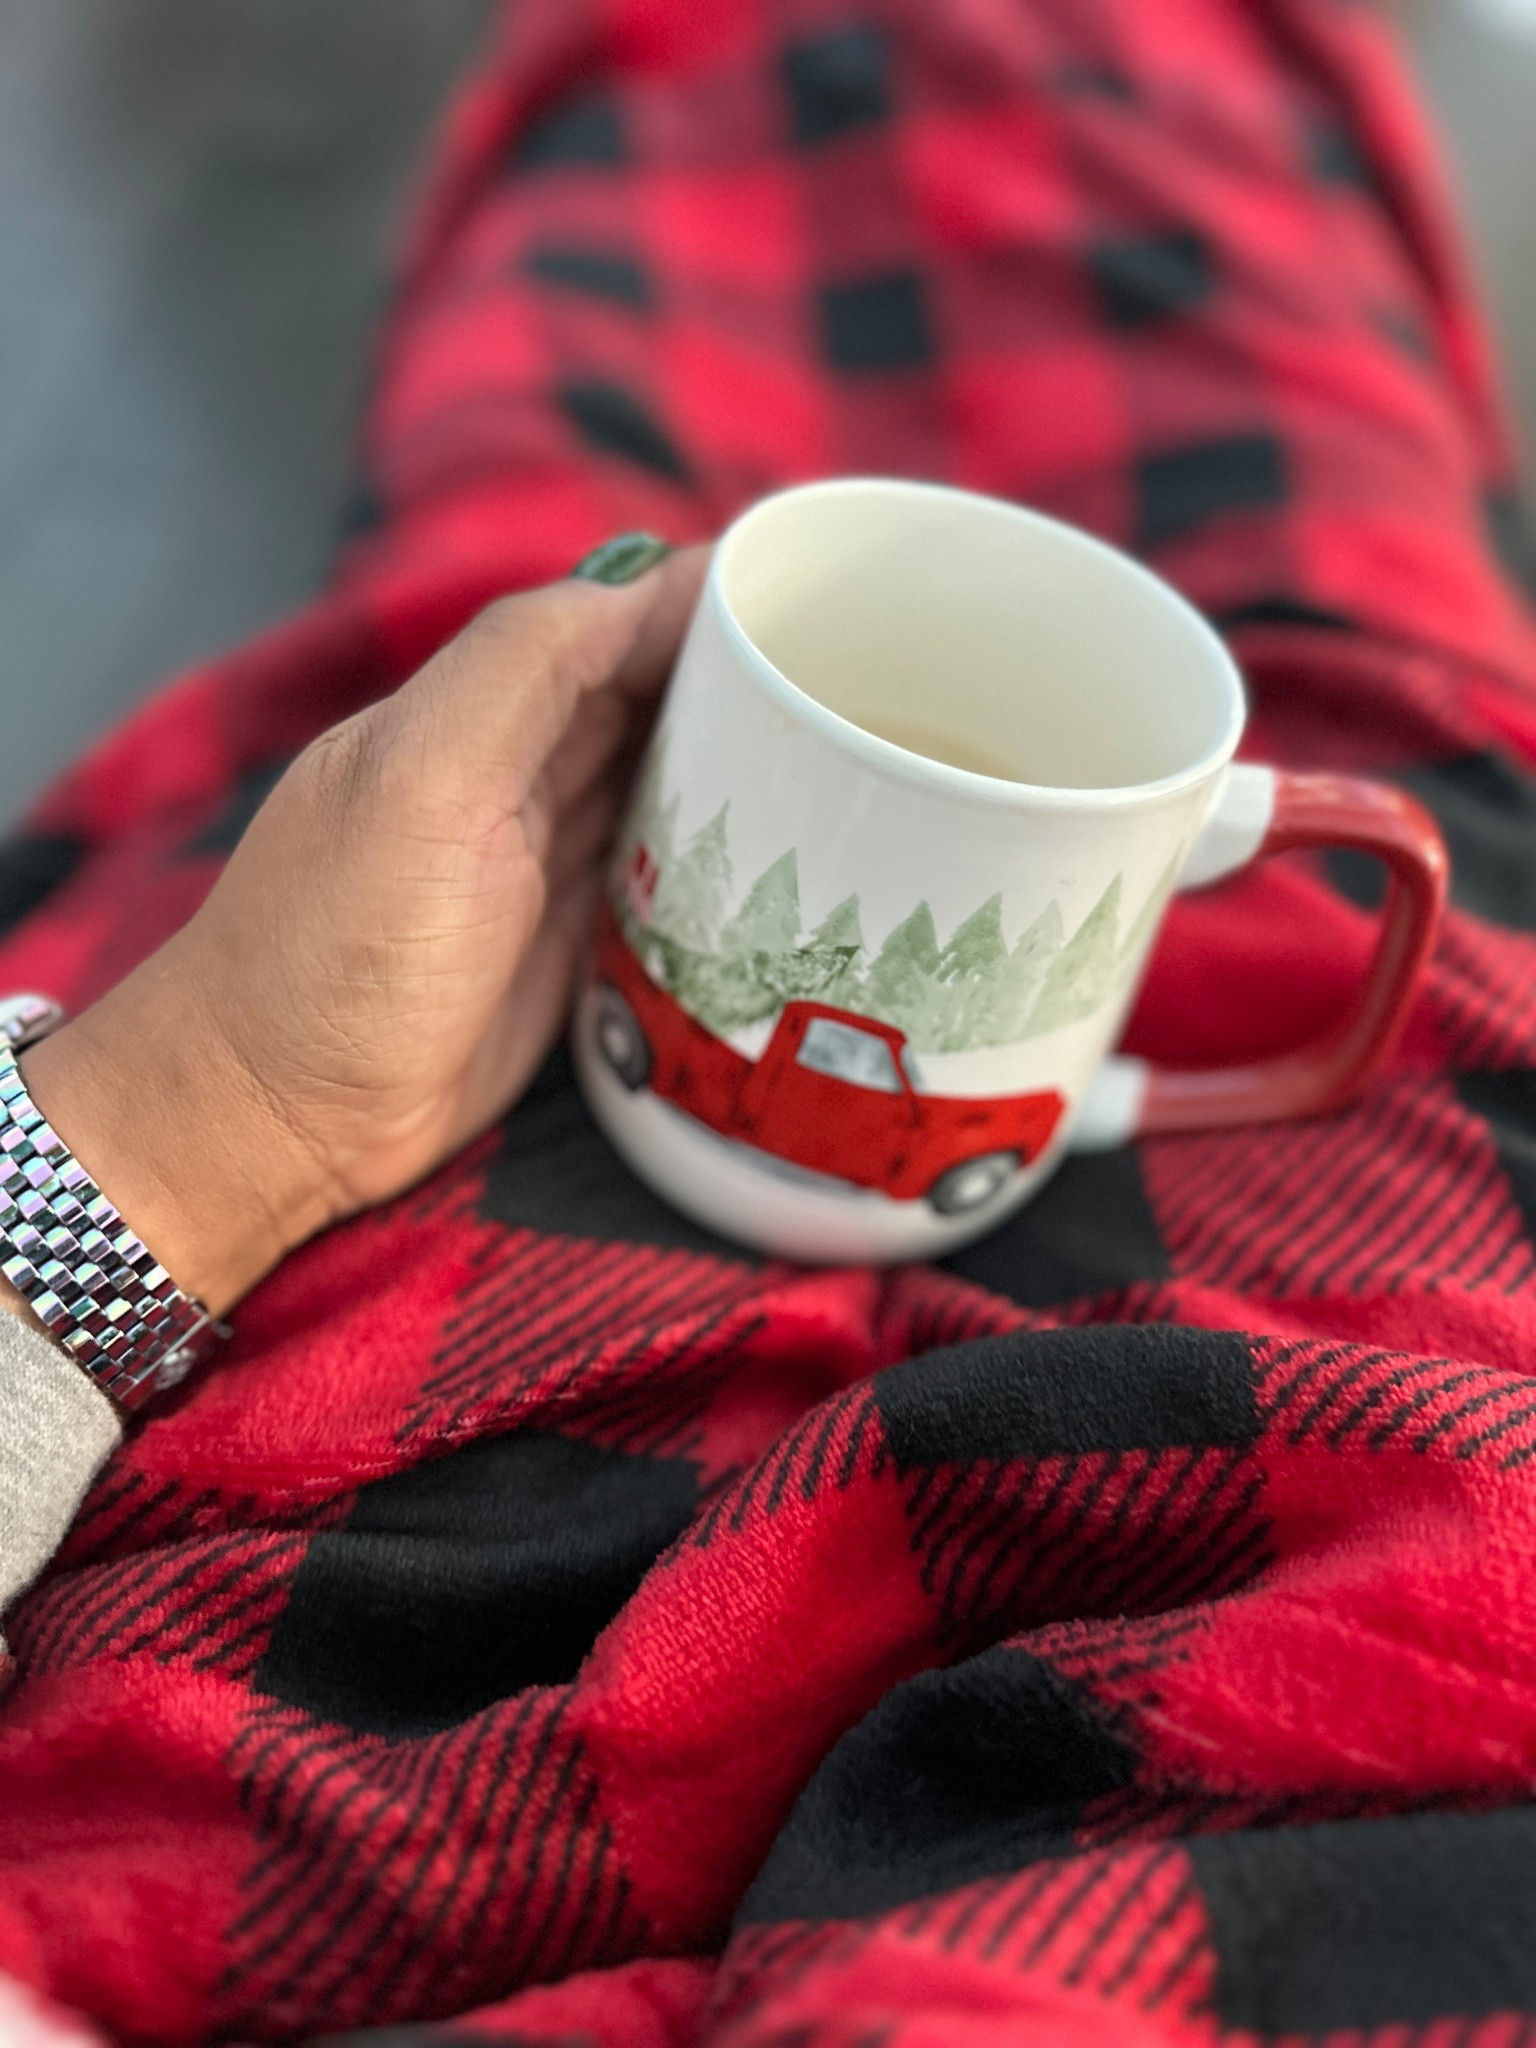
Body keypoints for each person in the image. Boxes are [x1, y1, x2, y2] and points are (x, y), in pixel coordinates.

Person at [2, 1, 1536, 2043]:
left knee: (509, 520)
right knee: (1289, 439)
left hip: (276, 1327)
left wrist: (216, 1109)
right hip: (1342, 1414)